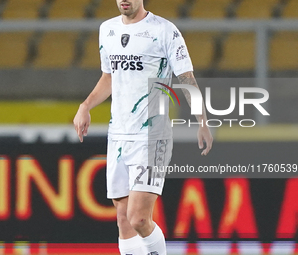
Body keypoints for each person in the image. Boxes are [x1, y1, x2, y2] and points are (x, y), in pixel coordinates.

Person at [73, 0, 213, 254]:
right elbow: (109, 76)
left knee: (138, 218)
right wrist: (85, 106)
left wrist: (202, 121)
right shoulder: (107, 29)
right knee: (124, 220)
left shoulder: (164, 31)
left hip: (151, 136)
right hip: (118, 135)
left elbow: (186, 78)